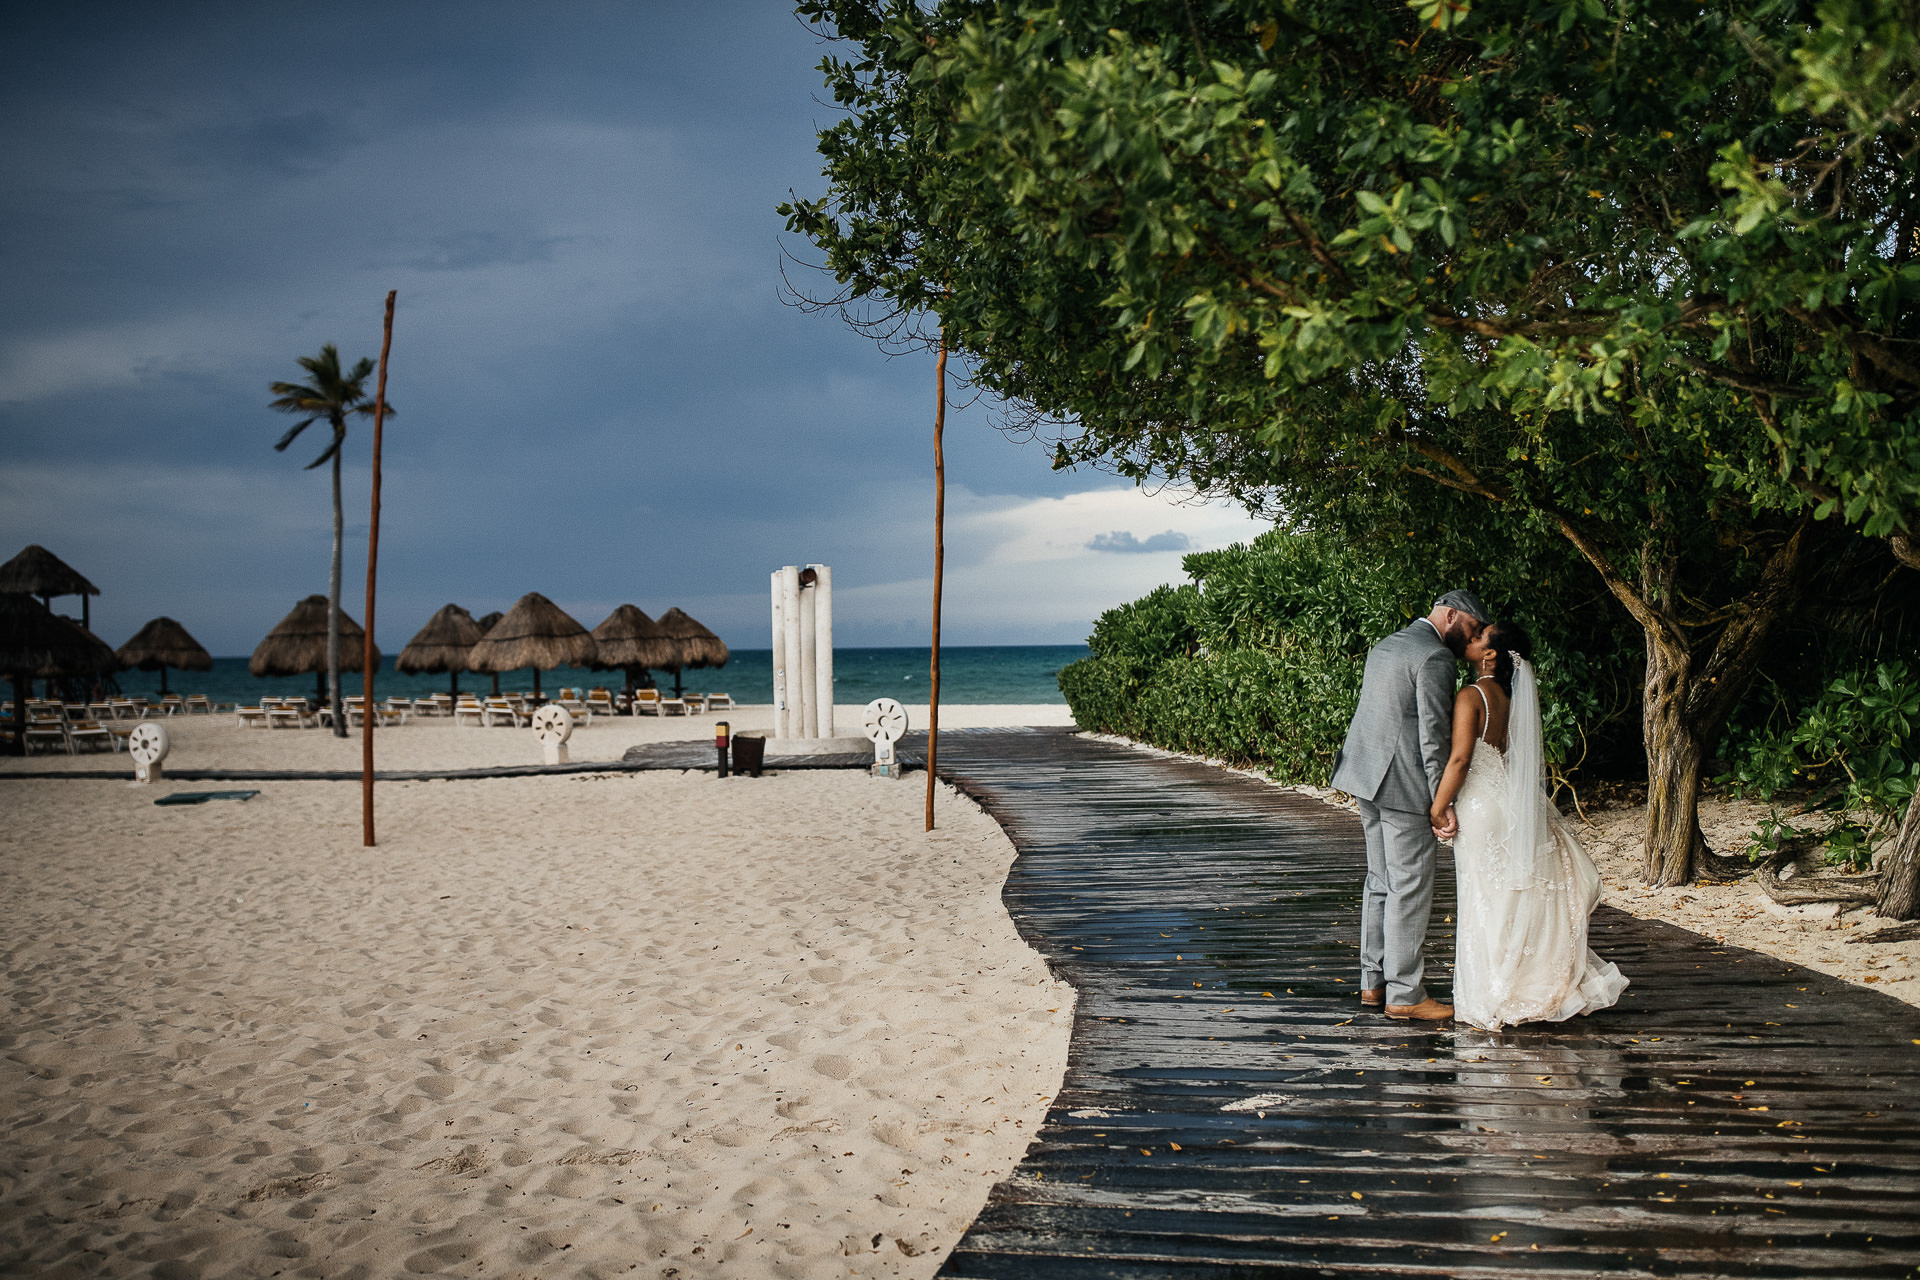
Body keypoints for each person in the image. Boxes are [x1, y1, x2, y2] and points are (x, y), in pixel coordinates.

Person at [1428, 621, 1629, 1030]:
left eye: (1480, 636)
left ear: (1490, 656)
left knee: (1484, 899)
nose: (1472, 637)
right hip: (1509, 803)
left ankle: (1496, 992)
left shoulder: (1472, 696)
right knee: (1508, 898)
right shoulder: (1508, 696)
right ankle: (1520, 984)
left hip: (1482, 806)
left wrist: (1437, 806)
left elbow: (1460, 761)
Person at [1331, 588, 1490, 1021]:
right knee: (1410, 885)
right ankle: (1405, 994)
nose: (1472, 639)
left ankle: (1373, 983)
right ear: (1453, 616)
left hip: (1365, 777)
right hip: (1402, 784)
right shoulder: (1434, 658)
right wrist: (1441, 801)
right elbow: (1433, 739)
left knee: (1379, 880)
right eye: (1472, 629)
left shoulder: (1388, 645)